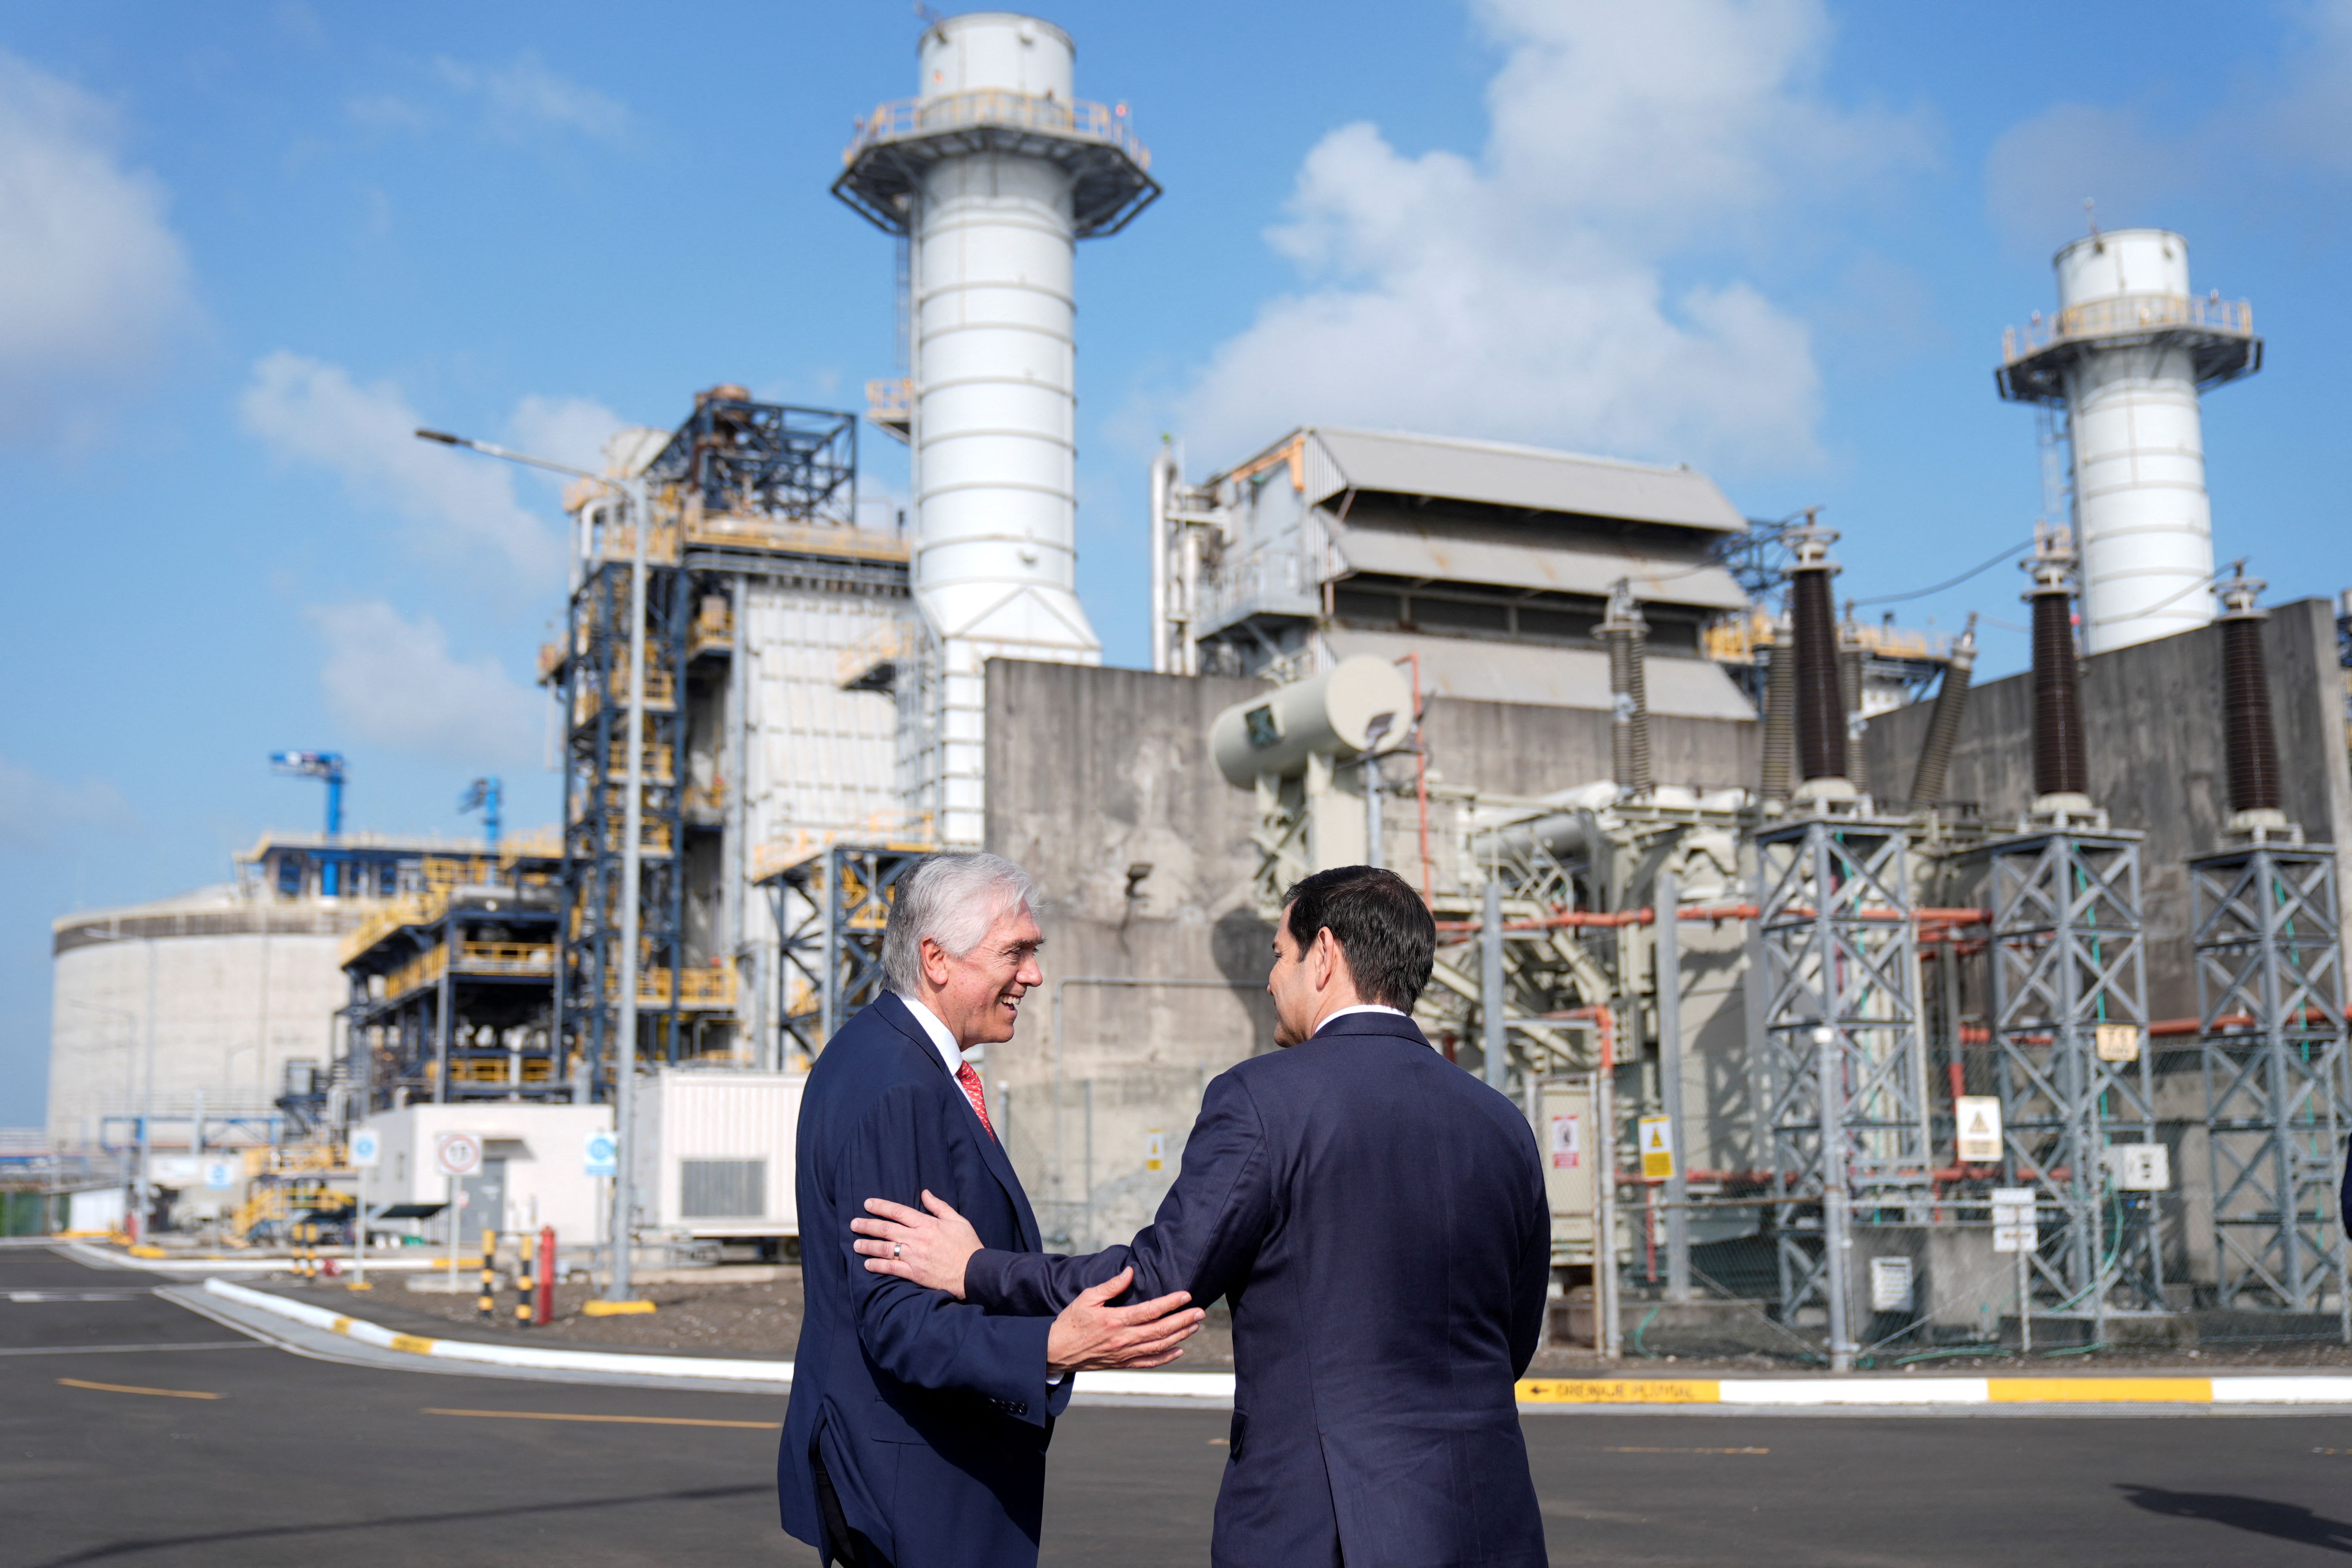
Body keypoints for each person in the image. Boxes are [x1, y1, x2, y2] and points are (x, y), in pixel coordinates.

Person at [853, 865, 1552, 1567]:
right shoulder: (1502, 1124)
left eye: (1279, 955)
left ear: (1326, 955)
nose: (1273, 980)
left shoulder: (1264, 1099)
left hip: (1325, 1521)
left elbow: (1159, 1280)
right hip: (1488, 1515)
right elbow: (1510, 1341)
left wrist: (975, 1271)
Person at [778, 852, 1204, 1568]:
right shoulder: (898, 1087)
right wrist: (1049, 1349)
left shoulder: (878, 1055)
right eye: (1017, 952)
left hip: (908, 1469)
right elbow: (896, 1316)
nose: (1033, 975)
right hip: (914, 1484)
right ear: (935, 959)